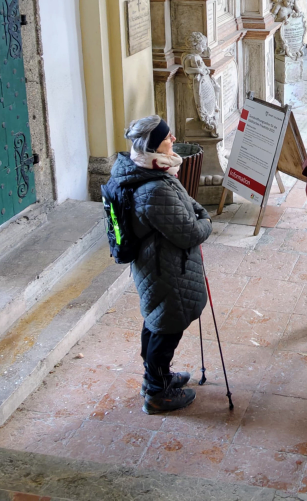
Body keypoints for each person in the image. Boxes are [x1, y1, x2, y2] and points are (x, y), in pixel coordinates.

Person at [112, 115, 213, 414]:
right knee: (166, 328)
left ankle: (157, 377)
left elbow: (185, 202)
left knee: (158, 322)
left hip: (161, 265)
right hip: (165, 270)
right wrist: (206, 222)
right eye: (167, 137)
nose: (172, 140)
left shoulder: (151, 172)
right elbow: (190, 232)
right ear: (155, 144)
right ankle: (157, 393)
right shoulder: (153, 189)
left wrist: (199, 212)